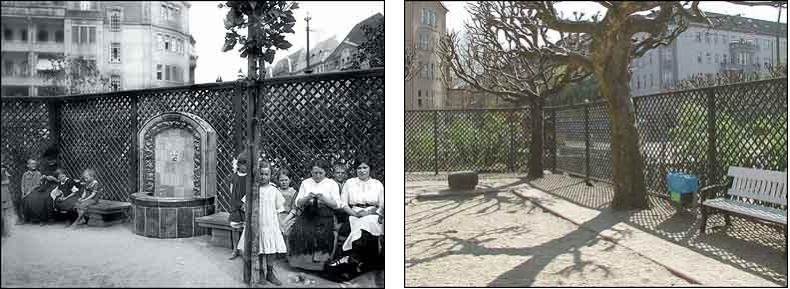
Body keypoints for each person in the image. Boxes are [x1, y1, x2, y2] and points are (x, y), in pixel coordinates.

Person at [326, 159, 385, 281]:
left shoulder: (377, 184)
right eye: (359, 168)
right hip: (354, 214)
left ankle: (350, 260)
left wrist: (371, 212)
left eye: (365, 168)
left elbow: (382, 204)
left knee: (367, 224)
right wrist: (355, 214)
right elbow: (343, 204)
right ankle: (356, 263)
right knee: (361, 226)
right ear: (355, 170)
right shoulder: (350, 183)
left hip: (373, 214)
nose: (362, 171)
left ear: (370, 169)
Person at [237, 163, 287, 285]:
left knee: (270, 249)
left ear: (270, 175)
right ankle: (260, 273)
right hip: (257, 224)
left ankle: (270, 272)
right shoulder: (253, 190)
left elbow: (279, 209)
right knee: (259, 248)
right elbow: (244, 206)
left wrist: (281, 226)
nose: (263, 176)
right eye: (261, 174)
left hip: (271, 224)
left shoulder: (274, 190)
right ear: (257, 174)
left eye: (266, 174)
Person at [287, 159, 342, 271]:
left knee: (322, 233)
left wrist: (324, 199)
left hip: (325, 214)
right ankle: (301, 264)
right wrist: (307, 198)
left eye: (320, 173)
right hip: (308, 213)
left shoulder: (332, 184)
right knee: (300, 231)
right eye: (314, 173)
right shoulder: (305, 183)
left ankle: (319, 265)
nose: (317, 175)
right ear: (311, 172)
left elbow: (337, 205)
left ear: (325, 172)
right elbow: (298, 203)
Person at [22, 156, 58, 226]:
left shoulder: (58, 170)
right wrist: (43, 178)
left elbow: (38, 184)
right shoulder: (26, 174)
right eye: (49, 160)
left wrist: (53, 179)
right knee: (30, 197)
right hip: (42, 187)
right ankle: (31, 218)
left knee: (43, 198)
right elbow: (23, 184)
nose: (51, 162)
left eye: (52, 160)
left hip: (53, 186)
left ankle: (43, 218)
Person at [228, 152, 249, 260]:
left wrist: (245, 204)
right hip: (236, 206)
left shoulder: (249, 177)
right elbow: (232, 192)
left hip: (246, 206)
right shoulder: (234, 177)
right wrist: (238, 204)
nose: (245, 167)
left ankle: (244, 250)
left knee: (246, 229)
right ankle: (235, 249)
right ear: (239, 165)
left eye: (247, 164)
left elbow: (250, 192)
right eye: (243, 164)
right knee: (235, 229)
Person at [277, 169, 297, 238]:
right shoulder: (276, 191)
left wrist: (284, 221)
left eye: (286, 180)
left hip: (289, 218)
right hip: (277, 217)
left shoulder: (293, 192)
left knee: (287, 233)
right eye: (281, 180)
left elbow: (294, 210)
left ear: (290, 180)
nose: (284, 182)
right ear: (278, 181)